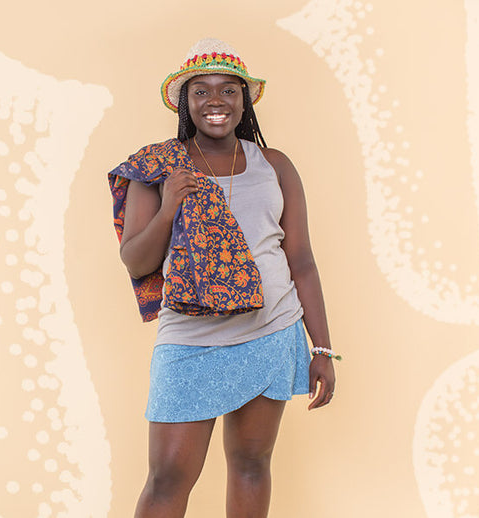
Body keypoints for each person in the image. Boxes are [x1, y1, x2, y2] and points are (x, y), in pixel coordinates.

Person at [108, 38, 338, 517]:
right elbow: (135, 261)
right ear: (185, 103)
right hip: (191, 339)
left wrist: (321, 348)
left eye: (229, 90)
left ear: (245, 100)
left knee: (252, 463)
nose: (216, 101)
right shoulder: (159, 167)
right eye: (202, 91)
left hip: (270, 331)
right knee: (168, 477)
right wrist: (170, 203)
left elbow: (301, 259)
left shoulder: (274, 166)